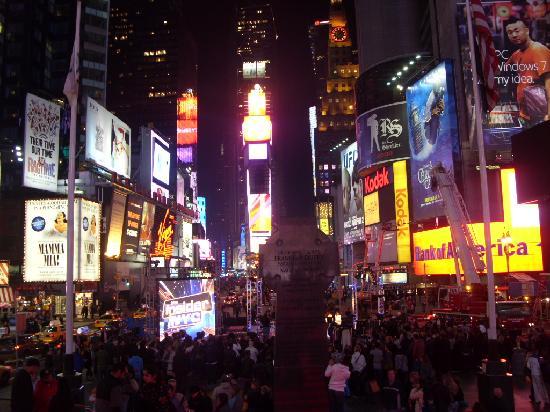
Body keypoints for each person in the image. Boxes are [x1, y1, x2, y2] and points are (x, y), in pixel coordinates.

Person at [504, 17, 550, 123]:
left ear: (527, 31)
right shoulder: (516, 54)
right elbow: (500, 70)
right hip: (526, 114)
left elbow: (549, 83)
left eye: (517, 31)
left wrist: (549, 113)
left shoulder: (538, 50)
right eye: (510, 32)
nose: (514, 35)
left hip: (540, 116)